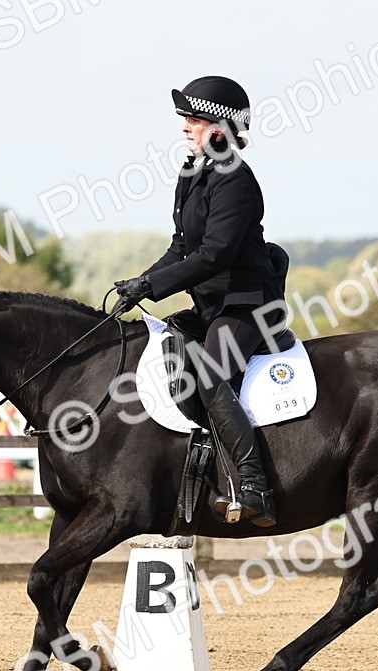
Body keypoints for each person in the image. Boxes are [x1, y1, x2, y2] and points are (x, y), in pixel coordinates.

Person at [113, 76, 287, 527]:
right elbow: (181, 247)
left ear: (219, 126)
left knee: (210, 376)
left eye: (193, 118)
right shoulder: (193, 173)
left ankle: (254, 486)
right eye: (186, 119)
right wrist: (142, 282)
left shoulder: (234, 177)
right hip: (212, 307)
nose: (185, 127)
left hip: (247, 306)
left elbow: (215, 253)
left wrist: (153, 287)